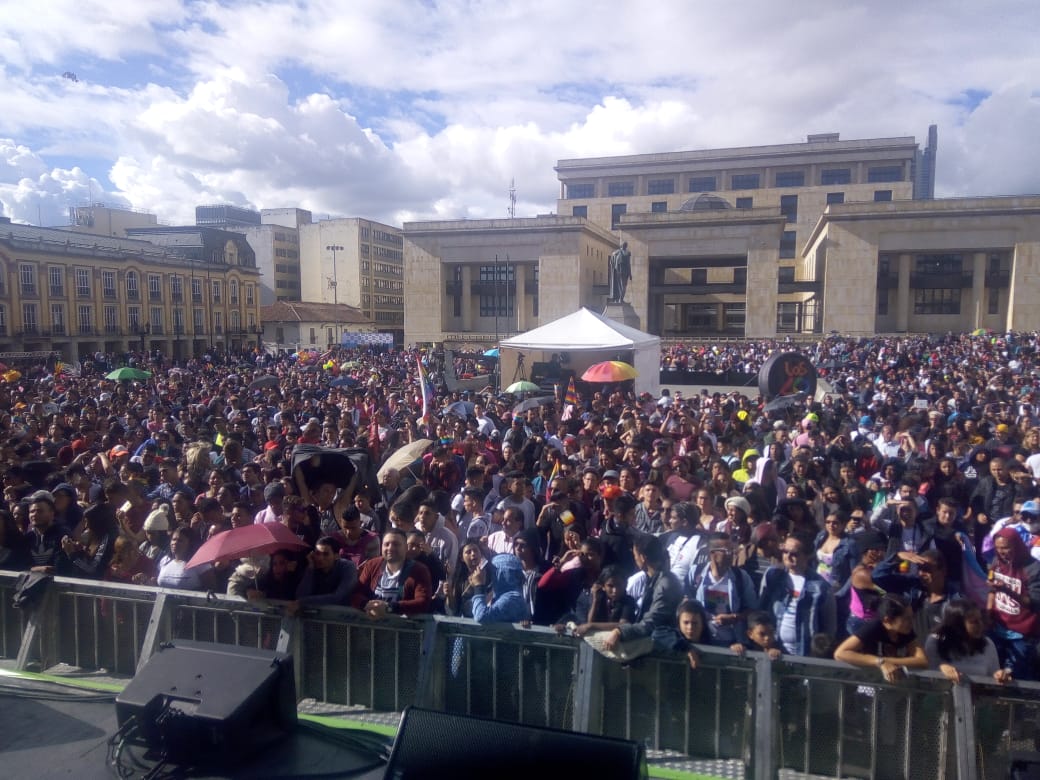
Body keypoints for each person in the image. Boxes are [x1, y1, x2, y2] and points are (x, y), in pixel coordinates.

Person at [601, 535, 683, 656]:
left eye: (635, 555)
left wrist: (620, 632)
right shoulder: (654, 580)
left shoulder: (665, 585)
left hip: (665, 654)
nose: (634, 559)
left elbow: (651, 623)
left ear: (643, 557)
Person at [759, 534, 836, 655]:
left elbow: (829, 627)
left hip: (805, 652)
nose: (788, 556)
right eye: (785, 551)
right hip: (773, 649)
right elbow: (761, 611)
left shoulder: (822, 586)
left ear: (807, 556)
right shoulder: (772, 575)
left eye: (794, 553)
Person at [834, 595, 929, 683]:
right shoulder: (873, 627)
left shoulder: (906, 631)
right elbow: (840, 653)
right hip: (870, 683)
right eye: (906, 619)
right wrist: (879, 662)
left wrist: (886, 662)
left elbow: (922, 661)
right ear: (887, 620)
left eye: (912, 617)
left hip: (896, 685)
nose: (911, 622)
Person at [987, 526, 1040, 679]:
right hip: (998, 628)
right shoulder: (997, 562)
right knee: (995, 673)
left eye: (1006, 548)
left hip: (1022, 634)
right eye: (998, 548)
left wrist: (1007, 590)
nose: (1002, 552)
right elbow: (992, 589)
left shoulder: (1033, 568)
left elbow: (1034, 603)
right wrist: (989, 612)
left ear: (1016, 545)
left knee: (1018, 676)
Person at [926, 598, 1009, 684]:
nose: (980, 625)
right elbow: (930, 675)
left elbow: (993, 676)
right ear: (957, 624)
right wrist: (942, 668)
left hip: (977, 695)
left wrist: (999, 675)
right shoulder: (935, 642)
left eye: (980, 620)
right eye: (974, 622)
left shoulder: (988, 644)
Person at [352, 528, 433, 617]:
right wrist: (366, 605)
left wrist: (389, 608)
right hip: (370, 625)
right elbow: (356, 594)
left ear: (406, 548)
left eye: (396, 544)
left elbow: (423, 602)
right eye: (386, 544)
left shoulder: (419, 570)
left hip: (402, 628)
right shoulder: (372, 565)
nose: (390, 548)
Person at [288, 536, 357, 613]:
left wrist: (302, 602)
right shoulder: (313, 566)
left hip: (344, 618)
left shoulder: (348, 567)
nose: (320, 558)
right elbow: (301, 595)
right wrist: (310, 568)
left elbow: (338, 597)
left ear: (336, 556)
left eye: (325, 554)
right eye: (317, 553)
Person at [469, 553, 530, 624]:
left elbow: (481, 616)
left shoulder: (513, 598)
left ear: (503, 572)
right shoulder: (497, 595)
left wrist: (479, 587)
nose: (492, 574)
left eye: (494, 571)